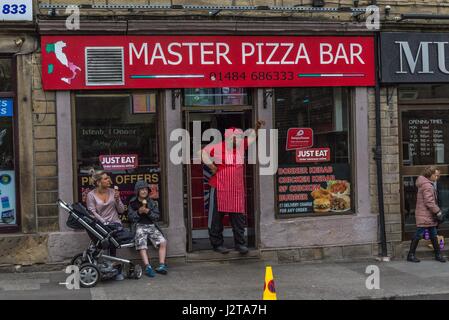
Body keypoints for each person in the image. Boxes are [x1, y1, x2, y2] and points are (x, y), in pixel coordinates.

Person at [201, 120, 265, 254]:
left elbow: (253, 137)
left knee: (238, 218)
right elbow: (201, 153)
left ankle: (240, 244)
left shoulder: (241, 146)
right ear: (228, 137)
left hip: (236, 189)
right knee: (216, 218)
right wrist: (212, 166)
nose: (239, 140)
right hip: (219, 187)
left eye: (240, 137)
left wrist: (256, 127)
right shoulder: (218, 147)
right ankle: (217, 244)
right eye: (236, 137)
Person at [128, 180, 168, 277]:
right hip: (139, 226)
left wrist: (148, 212)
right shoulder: (133, 203)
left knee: (163, 242)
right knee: (142, 244)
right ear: (137, 191)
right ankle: (147, 266)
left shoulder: (152, 202)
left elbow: (157, 216)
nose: (144, 191)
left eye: (146, 189)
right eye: (142, 189)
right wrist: (139, 212)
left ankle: (162, 265)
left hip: (151, 225)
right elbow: (130, 217)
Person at [407, 166, 446, 263]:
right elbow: (429, 202)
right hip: (425, 215)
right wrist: (438, 211)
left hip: (427, 215)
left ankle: (438, 255)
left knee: (433, 234)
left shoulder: (426, 184)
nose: (437, 177)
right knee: (419, 234)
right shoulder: (427, 186)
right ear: (430, 175)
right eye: (436, 175)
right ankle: (411, 255)